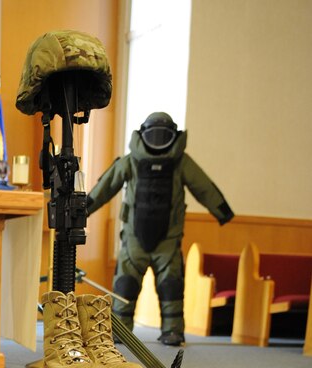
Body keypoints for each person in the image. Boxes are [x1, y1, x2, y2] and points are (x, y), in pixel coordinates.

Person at [86, 112, 234, 346]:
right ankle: (165, 331)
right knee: (157, 285)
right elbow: (204, 186)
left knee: (153, 285)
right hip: (154, 240)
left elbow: (106, 185)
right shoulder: (166, 161)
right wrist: (223, 211)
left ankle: (131, 331)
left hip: (151, 241)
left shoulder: (142, 160)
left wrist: (84, 208)